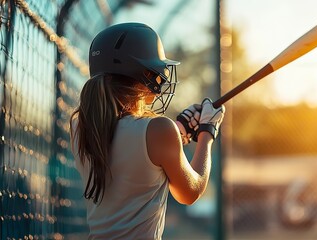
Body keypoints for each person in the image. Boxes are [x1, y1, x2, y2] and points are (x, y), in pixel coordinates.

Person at [69, 22, 225, 239]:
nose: (160, 74)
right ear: (143, 72)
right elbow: (189, 192)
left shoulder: (81, 128)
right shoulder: (158, 130)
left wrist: (179, 132)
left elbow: (132, 153)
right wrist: (207, 132)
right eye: (155, 69)